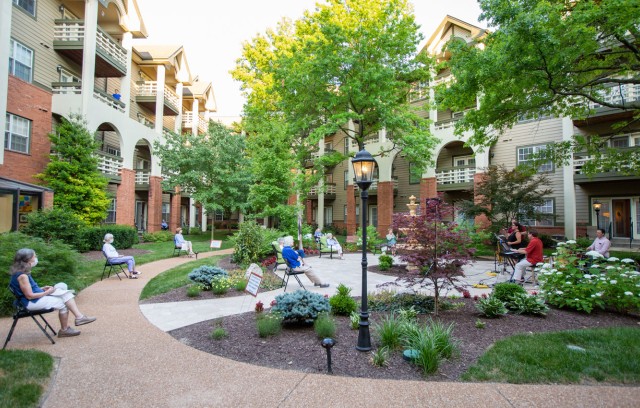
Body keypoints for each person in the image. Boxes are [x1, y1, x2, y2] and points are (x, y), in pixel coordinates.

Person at [9, 248, 96, 338]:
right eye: (34, 256)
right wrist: (46, 292)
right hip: (30, 303)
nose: (36, 258)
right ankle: (66, 328)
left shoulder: (21, 272)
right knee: (64, 302)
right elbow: (30, 296)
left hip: (32, 300)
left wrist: (42, 289)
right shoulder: (22, 276)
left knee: (64, 291)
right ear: (27, 259)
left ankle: (78, 318)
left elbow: (28, 290)